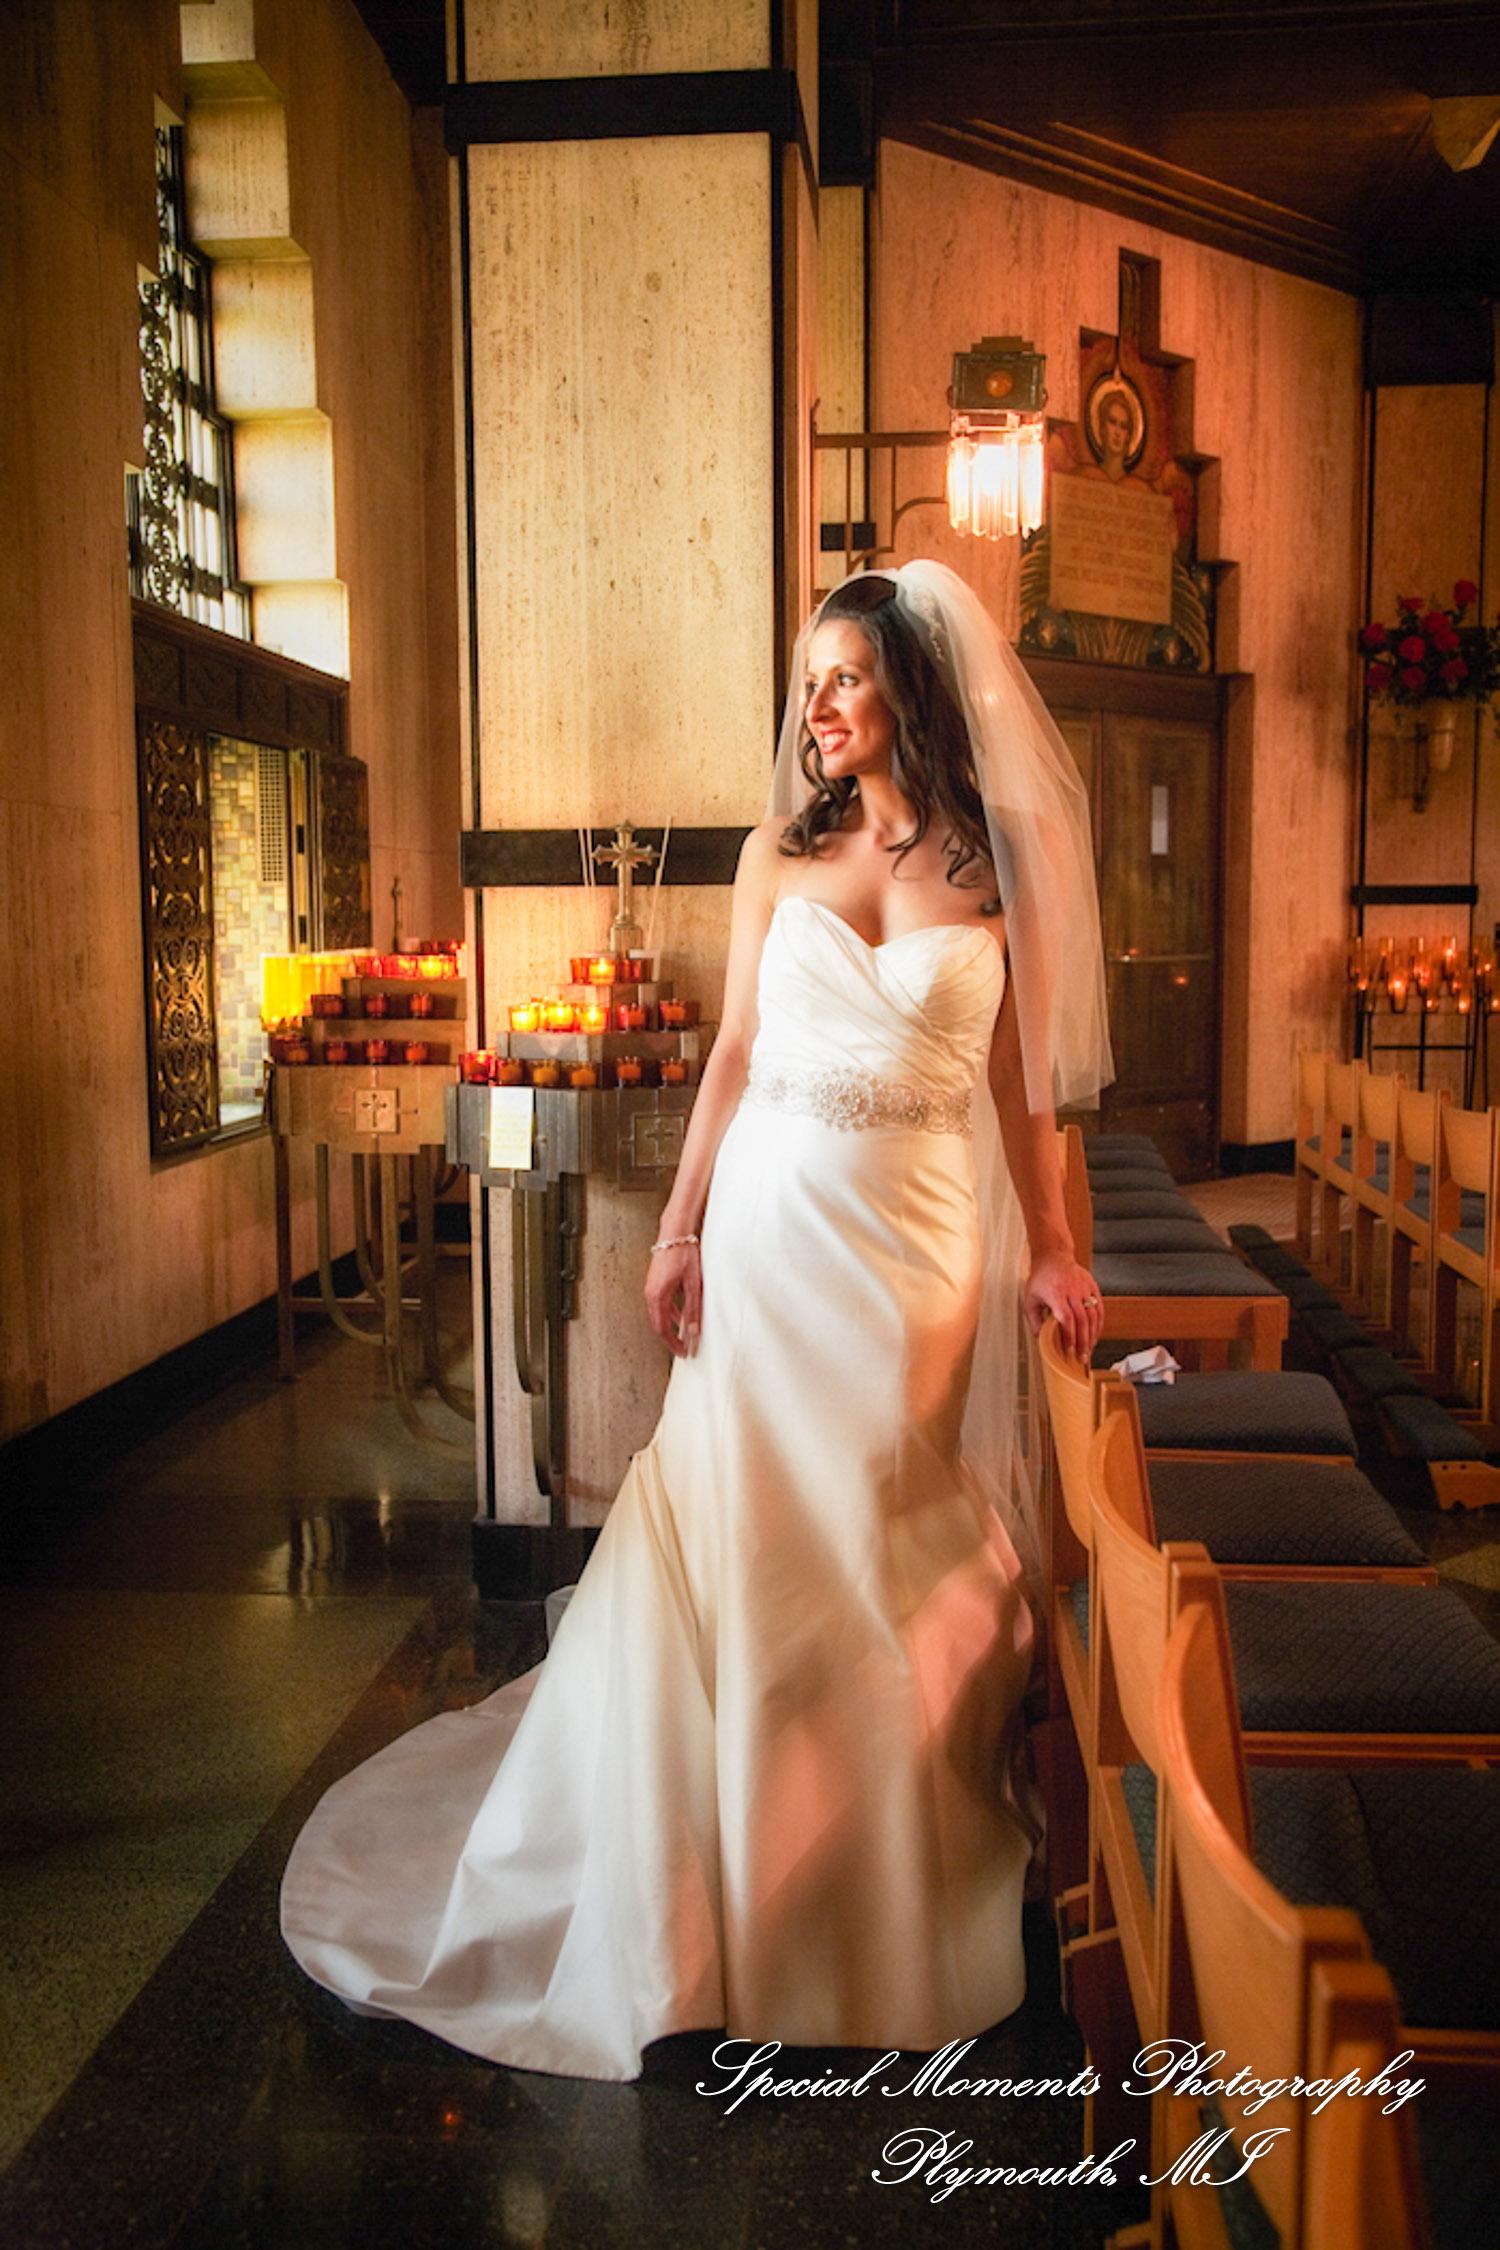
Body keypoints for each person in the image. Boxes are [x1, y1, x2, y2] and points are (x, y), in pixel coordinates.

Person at [280, 561, 1113, 2081]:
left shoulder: (997, 860)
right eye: (808, 683)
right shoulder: (774, 854)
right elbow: (732, 1050)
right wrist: (679, 1228)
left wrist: (1051, 1244)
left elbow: (1023, 1084)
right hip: (774, 1231)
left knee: (877, 1523)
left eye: (844, 678)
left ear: (910, 687)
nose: (817, 709)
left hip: (918, 1249)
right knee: (753, 1526)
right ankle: (717, 1880)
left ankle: (871, 1860)